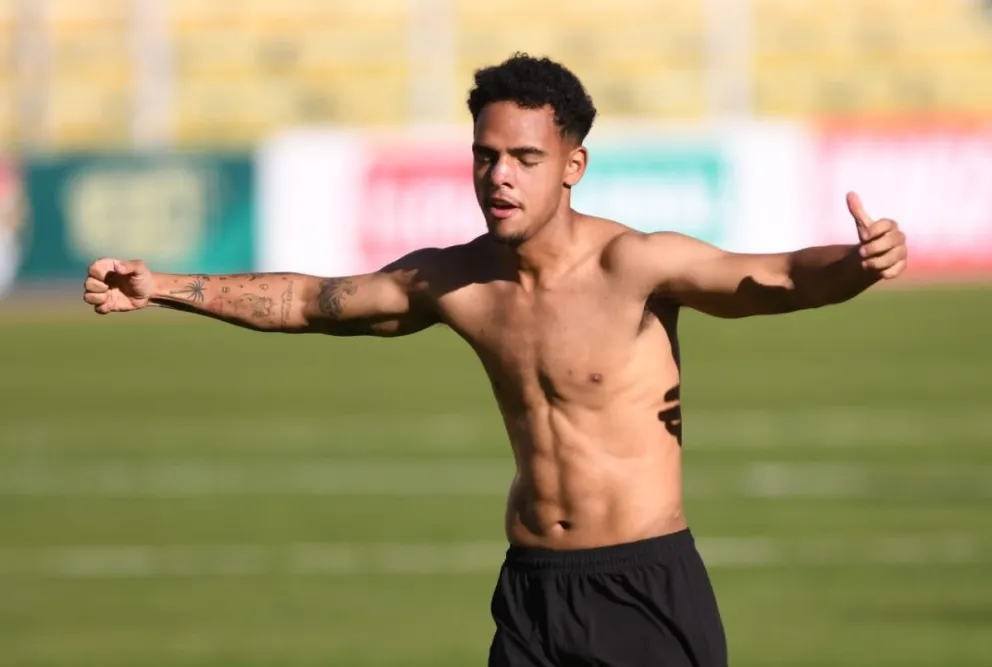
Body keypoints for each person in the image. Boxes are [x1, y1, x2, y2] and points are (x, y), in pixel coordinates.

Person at [82, 53, 908, 667]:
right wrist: (164, 286)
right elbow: (312, 301)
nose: (498, 176)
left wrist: (857, 263)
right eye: (485, 155)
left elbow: (773, 278)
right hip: (531, 596)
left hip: (643, 591)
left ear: (573, 167)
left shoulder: (636, 266)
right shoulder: (457, 280)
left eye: (524, 158)